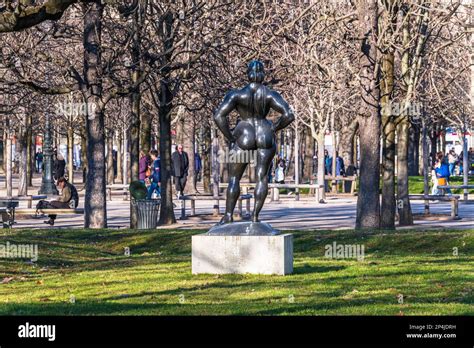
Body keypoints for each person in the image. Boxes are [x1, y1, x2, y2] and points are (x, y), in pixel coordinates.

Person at [213, 60, 295, 223]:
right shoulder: (270, 94)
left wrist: (229, 136)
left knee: (234, 178)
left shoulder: (237, 95)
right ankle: (255, 216)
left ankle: (228, 215)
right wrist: (274, 127)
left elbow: (218, 116)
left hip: (245, 134)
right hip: (264, 133)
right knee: (262, 176)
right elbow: (288, 114)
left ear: (248, 74)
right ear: (262, 74)